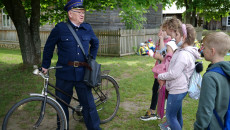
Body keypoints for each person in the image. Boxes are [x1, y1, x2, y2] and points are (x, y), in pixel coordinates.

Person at [41, 0, 101, 129]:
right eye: (78, 12)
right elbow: (48, 47)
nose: (82, 14)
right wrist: (45, 65)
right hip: (64, 74)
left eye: (83, 12)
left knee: (89, 105)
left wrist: (91, 59)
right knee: (61, 106)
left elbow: (95, 43)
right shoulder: (60, 29)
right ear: (70, 14)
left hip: (83, 74)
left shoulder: (87, 28)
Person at [158, 18, 200, 130]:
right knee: (177, 115)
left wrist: (160, 76)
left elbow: (173, 74)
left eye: (176, 35)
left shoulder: (183, 55)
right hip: (180, 89)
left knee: (171, 117)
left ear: (184, 37)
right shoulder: (182, 52)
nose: (174, 38)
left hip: (177, 90)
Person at [194, 32, 230, 130]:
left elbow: (205, 109)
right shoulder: (227, 70)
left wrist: (199, 127)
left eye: (204, 48)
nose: (202, 50)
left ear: (212, 51)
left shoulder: (210, 77)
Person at [140, 25, 171, 121]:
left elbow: (163, 56)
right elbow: (157, 55)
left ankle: (157, 111)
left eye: (163, 30)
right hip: (158, 71)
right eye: (160, 30)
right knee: (155, 90)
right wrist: (155, 55)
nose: (160, 32)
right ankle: (156, 110)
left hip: (164, 72)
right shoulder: (159, 41)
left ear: (168, 31)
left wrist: (158, 55)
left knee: (162, 92)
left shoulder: (170, 42)